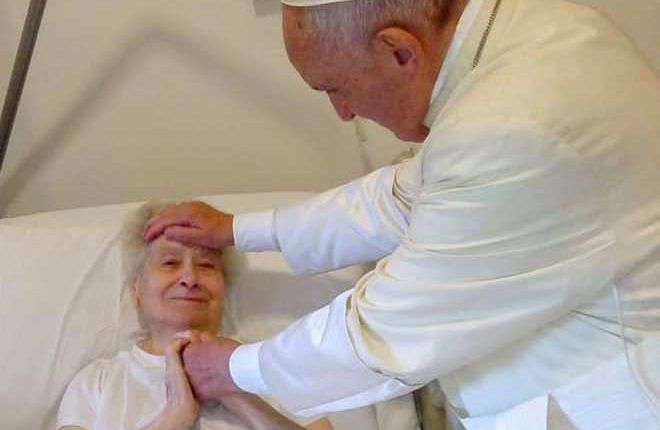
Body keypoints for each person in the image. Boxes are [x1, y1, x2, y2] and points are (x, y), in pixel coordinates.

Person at [143, 0, 660, 428]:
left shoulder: (509, 127)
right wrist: (238, 229)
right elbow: (401, 196)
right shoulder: (538, 35)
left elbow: (382, 332)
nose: (343, 113)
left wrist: (235, 370)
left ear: (398, 51)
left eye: (335, 88)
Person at [56, 214, 333, 430]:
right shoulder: (97, 382)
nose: (190, 278)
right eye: (170, 263)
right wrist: (174, 418)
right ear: (137, 290)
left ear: (223, 287)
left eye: (206, 265)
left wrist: (234, 391)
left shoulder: (272, 363)